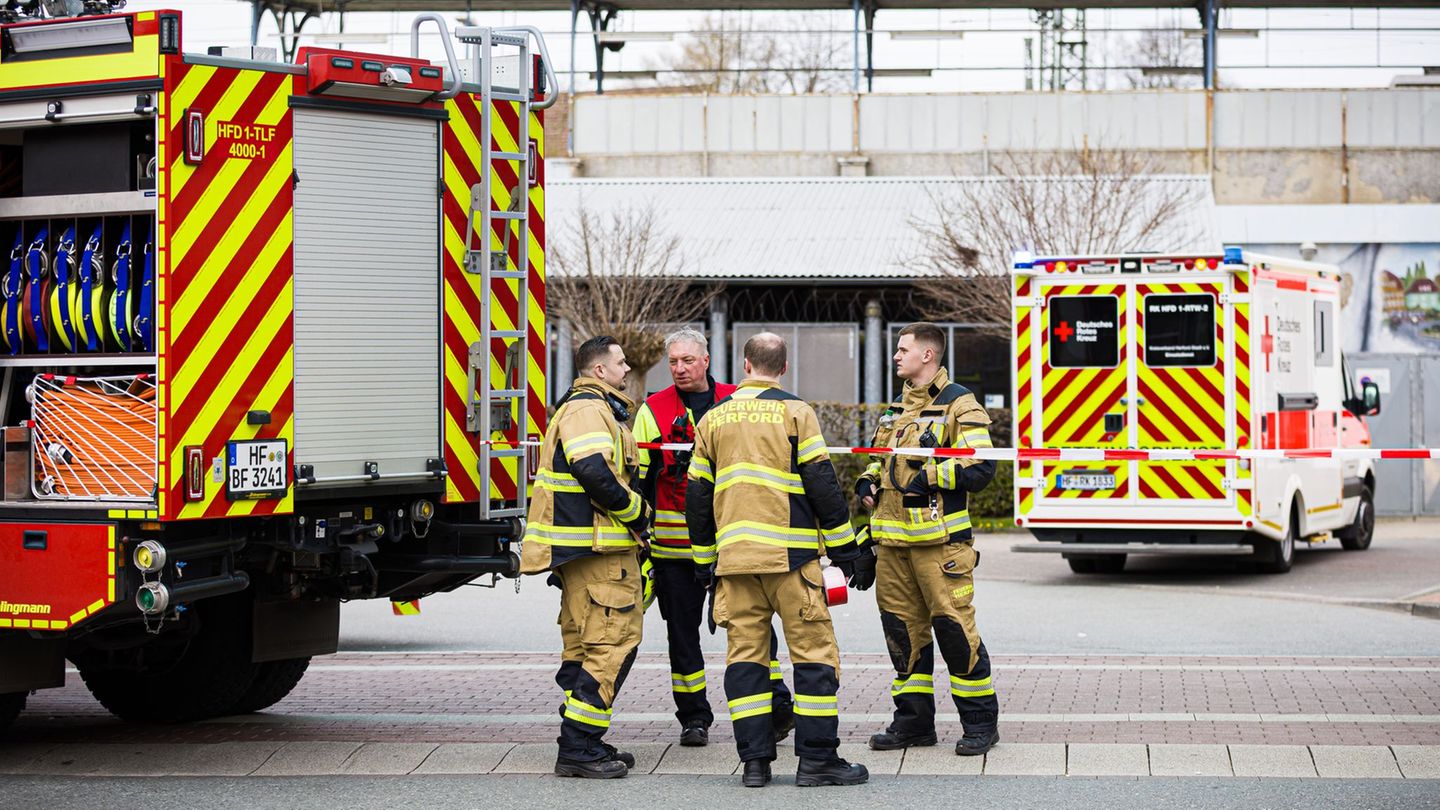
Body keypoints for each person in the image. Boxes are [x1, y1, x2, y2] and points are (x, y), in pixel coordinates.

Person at [686, 332, 873, 788]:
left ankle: (754, 764)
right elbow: (822, 484)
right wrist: (846, 550)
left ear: (745, 365)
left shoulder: (713, 418)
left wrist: (704, 560)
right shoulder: (796, 412)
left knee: (746, 661)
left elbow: (696, 495)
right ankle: (817, 761)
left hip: (734, 563)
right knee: (813, 658)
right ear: (783, 369)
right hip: (791, 561)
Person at [633, 328, 797, 748]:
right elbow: (641, 479)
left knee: (754, 628)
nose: (679, 368)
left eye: (687, 360)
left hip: (731, 542)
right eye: (672, 361)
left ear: (705, 360)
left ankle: (777, 706)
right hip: (674, 547)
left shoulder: (735, 400)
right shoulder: (653, 410)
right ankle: (693, 718)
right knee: (682, 637)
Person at [855, 322, 1001, 757]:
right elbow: (881, 462)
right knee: (904, 638)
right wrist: (866, 481)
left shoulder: (960, 404)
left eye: (903, 350)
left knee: (956, 634)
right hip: (893, 548)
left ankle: (980, 725)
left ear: (927, 356)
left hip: (941, 548)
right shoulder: (896, 409)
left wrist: (930, 476)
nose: (896, 356)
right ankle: (914, 724)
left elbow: (983, 466)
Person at [520, 336, 653, 779]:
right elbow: (592, 469)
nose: (627, 366)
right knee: (612, 644)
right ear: (599, 370)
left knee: (587, 646)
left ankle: (583, 738)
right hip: (598, 551)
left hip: (590, 550)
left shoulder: (590, 407)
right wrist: (636, 511)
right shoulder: (588, 409)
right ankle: (578, 747)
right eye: (620, 361)